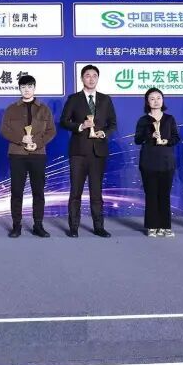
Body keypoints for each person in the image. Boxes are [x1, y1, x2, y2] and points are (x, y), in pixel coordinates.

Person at [59, 64, 117, 238]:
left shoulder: (105, 99)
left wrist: (104, 133)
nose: (91, 79)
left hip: (98, 152)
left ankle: (99, 227)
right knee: (75, 192)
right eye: (87, 75)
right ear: (82, 78)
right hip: (78, 151)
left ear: (98, 78)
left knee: (96, 192)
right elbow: (63, 121)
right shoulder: (74, 99)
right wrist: (80, 126)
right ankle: (73, 227)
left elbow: (113, 124)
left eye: (94, 76)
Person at [0, 75, 56, 238]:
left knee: (38, 191)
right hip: (17, 154)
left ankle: (38, 225)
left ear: (34, 88)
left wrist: (37, 143)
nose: (26, 90)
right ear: (19, 89)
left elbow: (51, 131)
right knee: (17, 191)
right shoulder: (11, 109)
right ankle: (16, 226)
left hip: (38, 154)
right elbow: (4, 130)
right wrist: (21, 139)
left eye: (30, 87)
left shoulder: (44, 109)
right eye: (23, 87)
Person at [134, 88, 181, 237]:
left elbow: (176, 138)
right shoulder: (143, 120)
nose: (156, 101)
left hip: (166, 162)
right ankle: (152, 226)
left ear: (163, 100)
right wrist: (150, 135)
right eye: (152, 98)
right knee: (151, 194)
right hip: (148, 162)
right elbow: (137, 140)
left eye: (158, 98)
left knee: (165, 195)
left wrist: (167, 141)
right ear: (147, 102)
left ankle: (165, 226)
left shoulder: (169, 119)